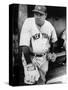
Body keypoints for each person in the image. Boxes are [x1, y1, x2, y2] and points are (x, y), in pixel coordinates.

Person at [19, 5, 57, 85]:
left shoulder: (49, 25)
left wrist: (52, 52)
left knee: (42, 80)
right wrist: (29, 64)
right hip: (30, 57)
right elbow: (24, 45)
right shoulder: (28, 23)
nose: (38, 16)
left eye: (41, 14)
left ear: (45, 15)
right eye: (36, 14)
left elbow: (54, 40)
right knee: (31, 81)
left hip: (44, 58)